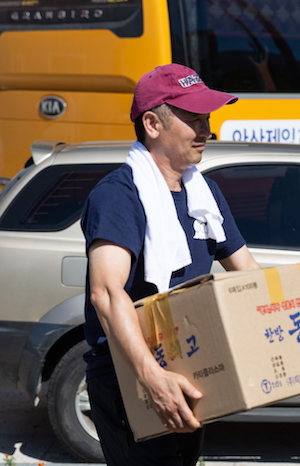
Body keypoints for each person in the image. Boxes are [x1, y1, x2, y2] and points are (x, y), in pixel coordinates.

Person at [81, 64, 260, 466]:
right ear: (152, 124)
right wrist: (151, 377)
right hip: (130, 379)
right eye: (193, 118)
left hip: (191, 370)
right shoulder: (119, 196)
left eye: (207, 118)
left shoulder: (203, 193)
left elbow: (248, 272)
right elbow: (106, 295)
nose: (206, 129)